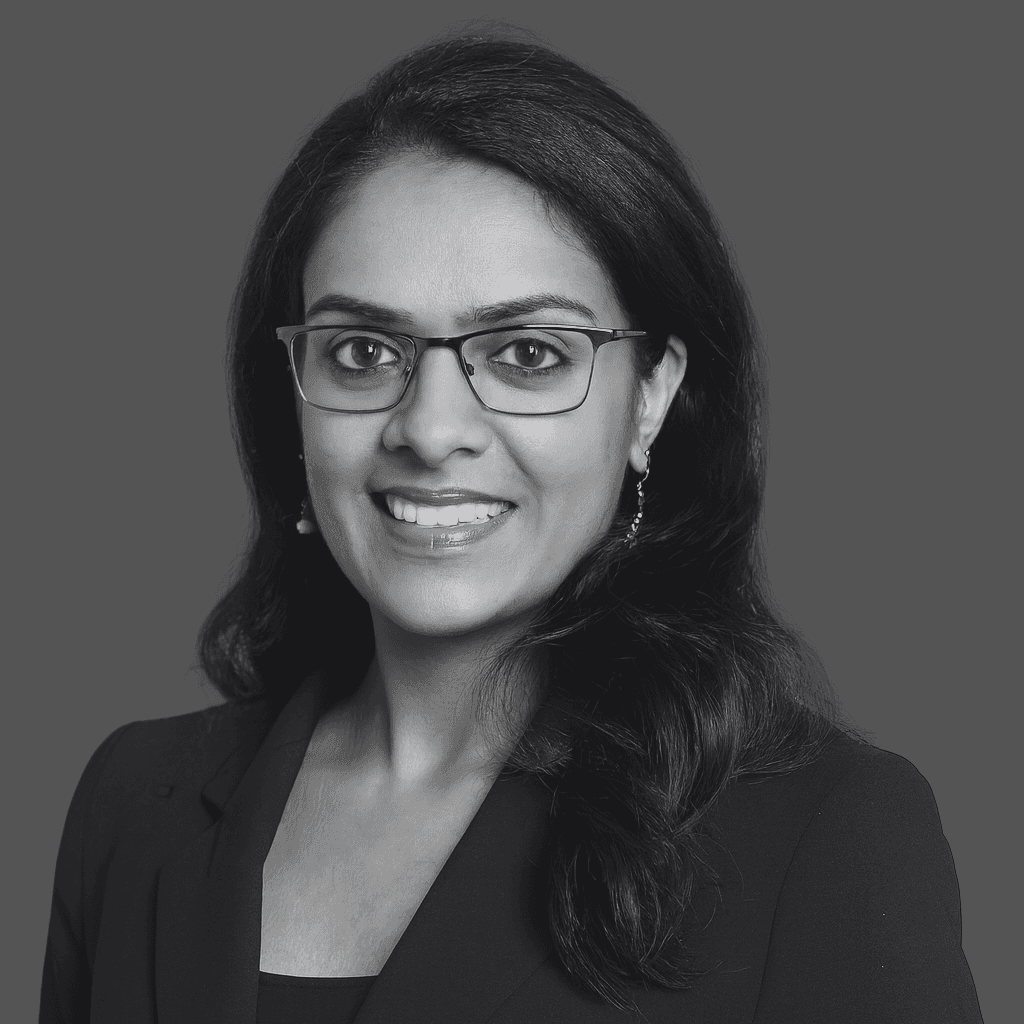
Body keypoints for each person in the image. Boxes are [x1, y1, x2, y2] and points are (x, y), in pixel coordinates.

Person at [39, 33, 983, 1024]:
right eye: (363, 351)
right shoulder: (132, 806)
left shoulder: (820, 835)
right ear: (293, 391)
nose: (429, 429)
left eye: (528, 353)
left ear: (650, 397)